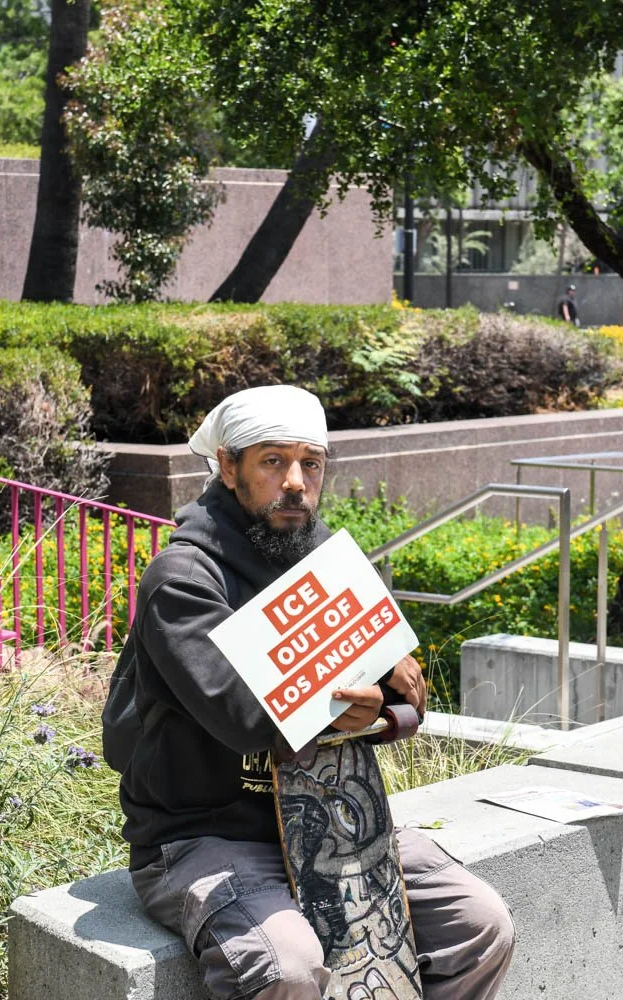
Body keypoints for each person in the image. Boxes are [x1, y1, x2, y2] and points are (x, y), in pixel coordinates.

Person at [108, 384, 515, 1000]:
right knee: (285, 969)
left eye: (312, 463)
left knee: (479, 926)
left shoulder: (325, 561)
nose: (296, 481)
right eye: (273, 462)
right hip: (204, 837)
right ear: (228, 466)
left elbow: (409, 699)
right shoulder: (185, 579)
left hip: (333, 820)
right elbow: (247, 716)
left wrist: (380, 709)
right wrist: (361, 693)